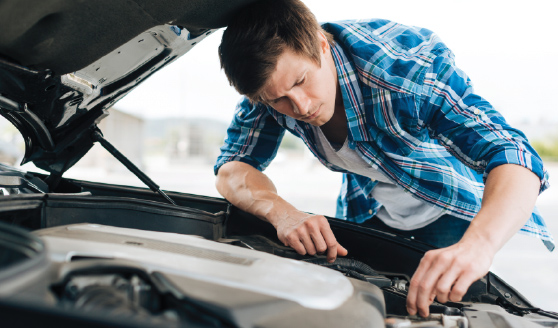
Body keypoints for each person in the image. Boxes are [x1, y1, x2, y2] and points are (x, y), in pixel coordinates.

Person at [213, 0, 554, 318]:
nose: (300, 107)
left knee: (440, 313)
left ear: (320, 45)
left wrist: (479, 245)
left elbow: (514, 154)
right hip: (367, 203)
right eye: (279, 100)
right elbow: (232, 167)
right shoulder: (271, 88)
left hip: (447, 206)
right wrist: (282, 213)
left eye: (301, 81)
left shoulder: (405, 72)